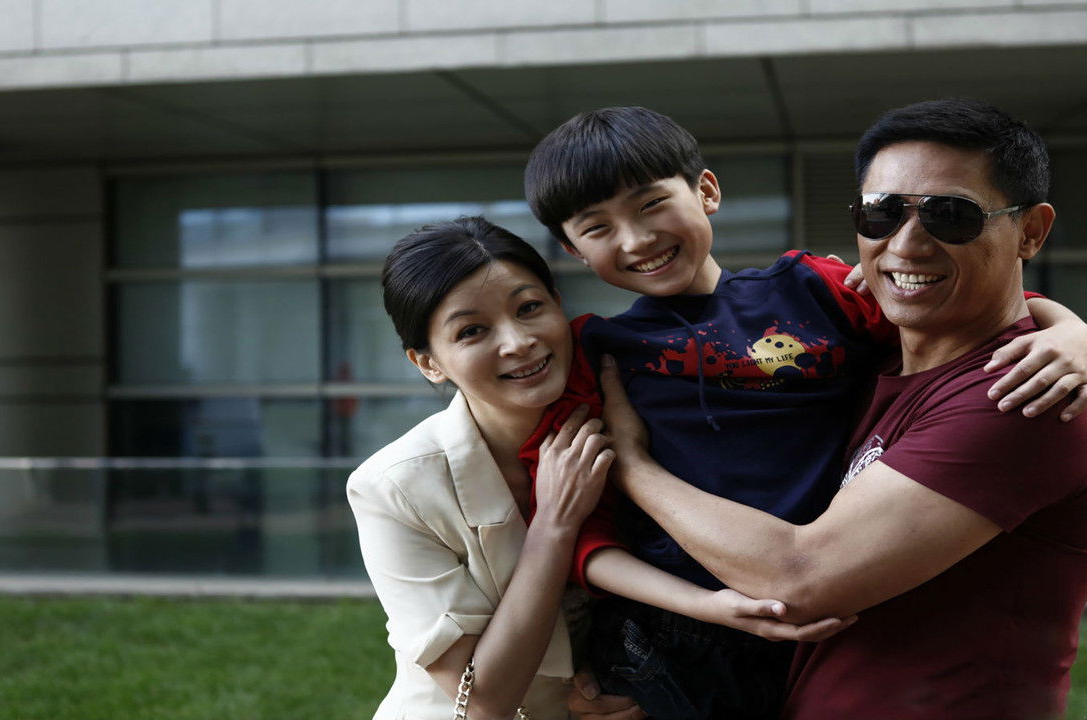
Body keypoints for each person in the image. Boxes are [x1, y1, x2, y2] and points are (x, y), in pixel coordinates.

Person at [521, 106, 1087, 720]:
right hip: (676, 631)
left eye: (651, 205)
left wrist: (1066, 328)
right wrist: (699, 607)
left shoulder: (815, 292)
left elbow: (949, 305)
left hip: (811, 599)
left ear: (707, 192)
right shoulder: (597, 353)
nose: (636, 239)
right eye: (598, 228)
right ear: (572, 249)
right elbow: (581, 525)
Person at [347, 216, 842, 720]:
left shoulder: (632, 406)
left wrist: (854, 288)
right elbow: (481, 703)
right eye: (472, 331)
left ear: (558, 303)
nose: (517, 341)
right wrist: (555, 523)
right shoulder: (394, 488)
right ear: (428, 363)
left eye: (529, 307)